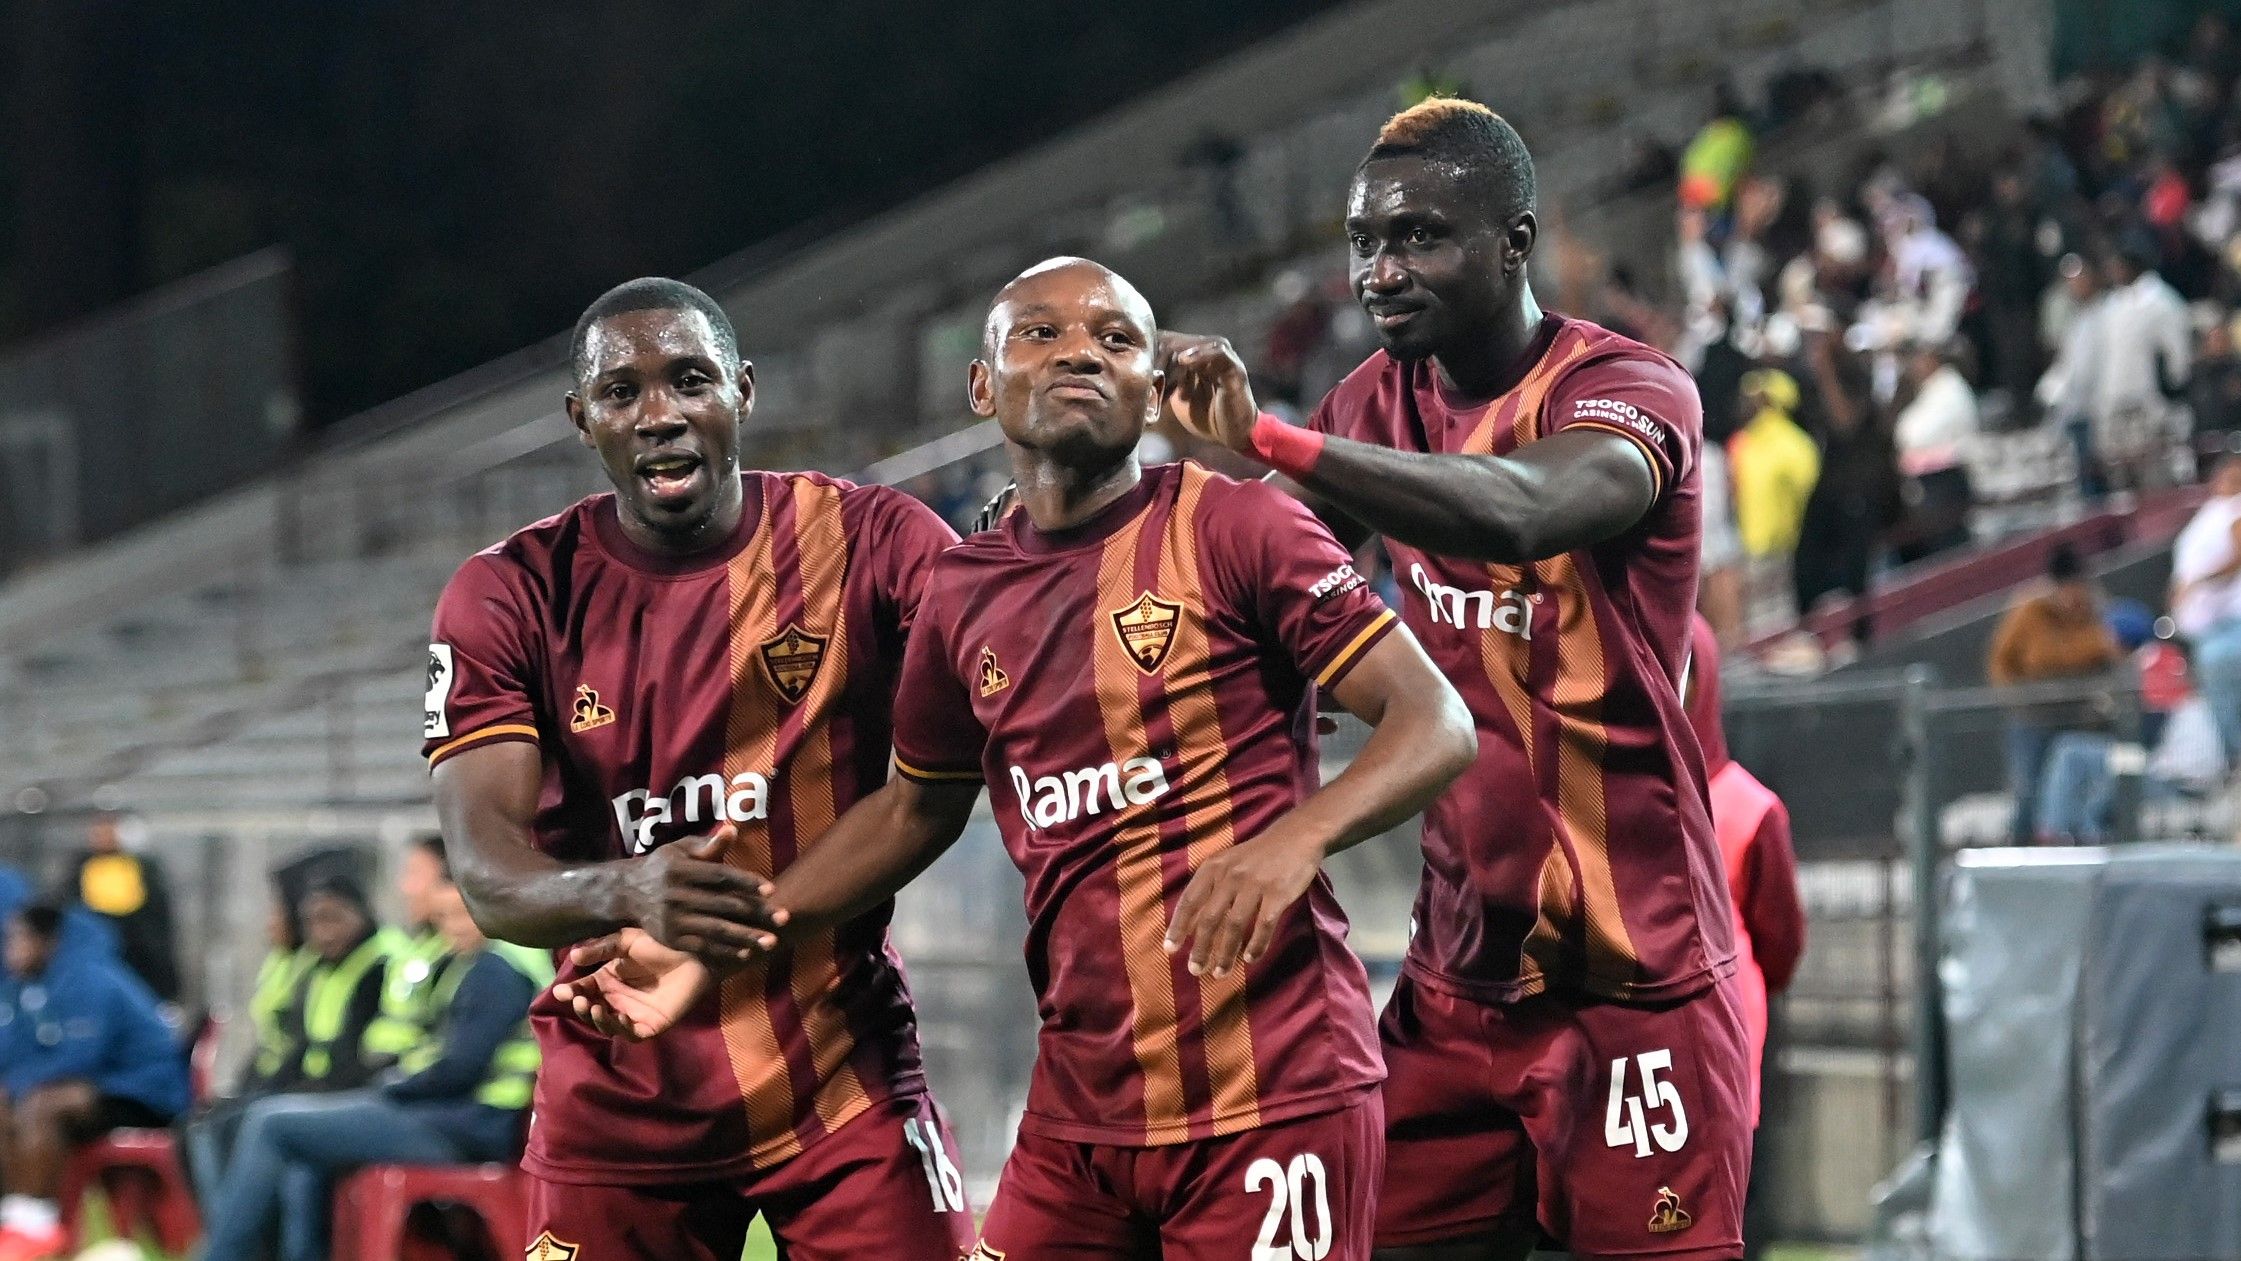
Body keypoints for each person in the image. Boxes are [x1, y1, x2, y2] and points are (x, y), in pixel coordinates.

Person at [560, 257, 1478, 1261]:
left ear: (1149, 387)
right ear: (982, 387)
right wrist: (727, 939)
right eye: (1040, 333)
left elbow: (1435, 721)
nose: (1081, 349)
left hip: (1270, 1092)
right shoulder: (963, 591)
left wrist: (1295, 839)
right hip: (1076, 1114)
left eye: (1117, 339)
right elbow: (912, 810)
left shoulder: (1238, 526)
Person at [1158, 98, 1751, 1260]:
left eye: (1421, 237)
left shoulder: (1629, 389)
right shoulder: (1373, 403)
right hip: (1456, 991)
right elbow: (1252, 601)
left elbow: (1525, 510)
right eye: (1365, 242)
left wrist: (1271, 440)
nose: (1382, 271)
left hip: (1637, 984)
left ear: (1514, 243)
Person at [425, 276, 974, 1261]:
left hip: (840, 1081)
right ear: (580, 417)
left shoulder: (870, 541)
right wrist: (631, 889)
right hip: (616, 1105)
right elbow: (488, 877)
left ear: (744, 392)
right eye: (623, 393)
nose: (661, 415)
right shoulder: (510, 593)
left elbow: (961, 747)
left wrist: (1028, 565)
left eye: (689, 380)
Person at [197, 880, 549, 1261]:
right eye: (445, 917)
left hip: (467, 1126)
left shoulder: (496, 972)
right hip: (444, 1115)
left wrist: (392, 1087)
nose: (454, 927)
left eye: (467, 915)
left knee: (272, 1123)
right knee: (303, 1149)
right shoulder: (466, 965)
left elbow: (459, 1070)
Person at [1681, 616, 1804, 1261]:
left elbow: (1780, 937)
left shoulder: (1749, 808)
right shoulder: (1746, 805)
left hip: (1725, 1036)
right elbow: (1780, 943)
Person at [0, 902, 189, 1260]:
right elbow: (15, 1049)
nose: (9, 948)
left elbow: (83, 1056)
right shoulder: (27, 986)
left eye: (16, 938)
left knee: (43, 1104)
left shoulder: (91, 978)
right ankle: (15, 1218)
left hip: (143, 1092)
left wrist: (21, 1082)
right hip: (95, 1086)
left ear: (46, 941)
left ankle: (38, 1224)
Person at [1987, 544, 2122, 842]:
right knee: (2028, 791)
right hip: (2033, 716)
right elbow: (2001, 661)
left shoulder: (2095, 611)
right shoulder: (2029, 610)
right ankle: (2019, 854)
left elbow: (2111, 651)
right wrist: (2017, 699)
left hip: (2079, 716)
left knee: (2073, 791)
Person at [1728, 367, 1820, 620]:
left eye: (1754, 397)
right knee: (1759, 619)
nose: (1745, 402)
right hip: (1751, 547)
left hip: (1783, 549)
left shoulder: (1792, 442)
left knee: (1778, 618)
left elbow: (1807, 493)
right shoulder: (1748, 441)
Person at [361, 836, 454, 1072]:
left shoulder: (464, 956)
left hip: (413, 1084)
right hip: (386, 1075)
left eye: (414, 874)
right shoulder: (422, 948)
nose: (405, 888)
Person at [67, 811, 179, 1005]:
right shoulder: (82, 868)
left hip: (139, 958)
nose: (103, 837)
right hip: (100, 958)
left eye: (109, 830)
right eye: (98, 831)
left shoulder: (141, 867)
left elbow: (157, 921)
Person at [2171, 451, 2241, 761]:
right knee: (2220, 706)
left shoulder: (2236, 510)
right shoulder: (2207, 515)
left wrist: (2203, 581)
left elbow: (2237, 558)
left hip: (2231, 626)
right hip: (2204, 633)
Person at [1891, 339, 1977, 565]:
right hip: (1927, 483)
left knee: (1952, 553)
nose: (1914, 366)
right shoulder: (1925, 390)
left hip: (1946, 480)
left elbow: (1913, 435)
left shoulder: (1950, 389)